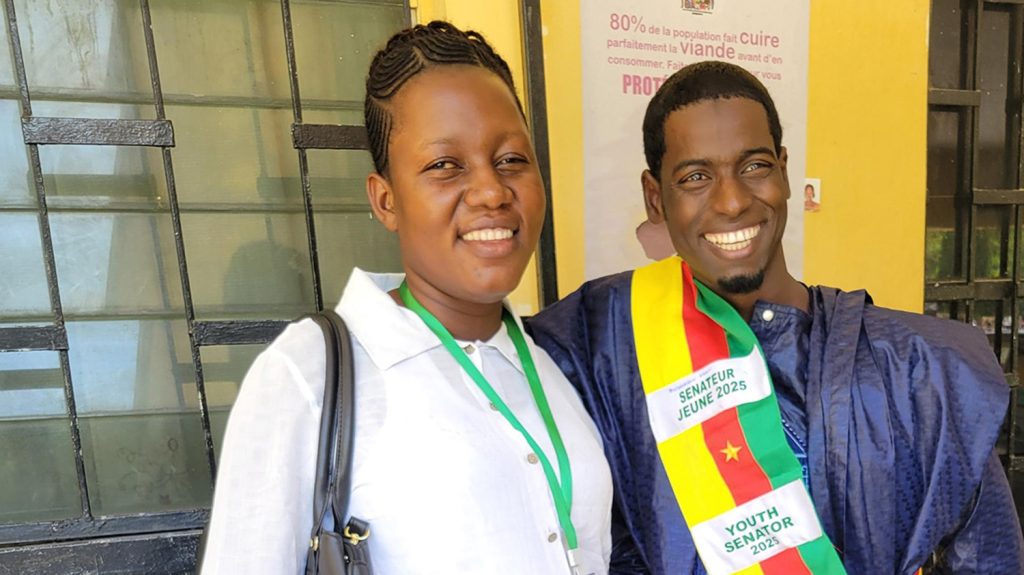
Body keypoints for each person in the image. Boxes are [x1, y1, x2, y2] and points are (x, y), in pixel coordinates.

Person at [526, 61, 1024, 574]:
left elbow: (989, 560)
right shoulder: (606, 345)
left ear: (783, 171)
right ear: (656, 198)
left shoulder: (913, 368)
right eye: (696, 177)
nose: (732, 201)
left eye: (754, 167)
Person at [201, 21, 612, 575]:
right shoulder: (311, 374)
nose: (492, 191)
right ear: (386, 200)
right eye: (445, 166)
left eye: (512, 159)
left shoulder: (550, 364)